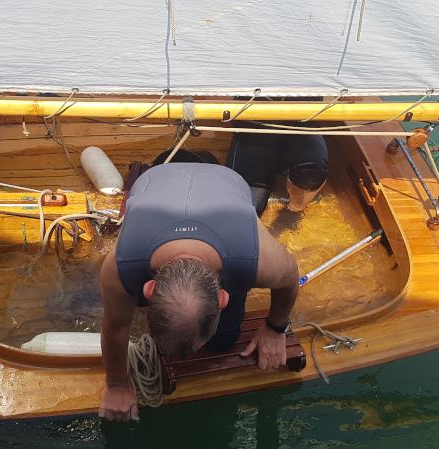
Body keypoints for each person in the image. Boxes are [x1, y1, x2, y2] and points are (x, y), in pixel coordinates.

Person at [98, 162, 299, 422]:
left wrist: (275, 328)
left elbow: (290, 279)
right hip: (156, 180)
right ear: (148, 288)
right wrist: (116, 385)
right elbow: (115, 328)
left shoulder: (261, 261)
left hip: (227, 182)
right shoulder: (118, 268)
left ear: (224, 296)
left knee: (223, 341)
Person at [227, 124, 329, 215]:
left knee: (310, 172)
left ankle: (295, 205)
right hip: (255, 133)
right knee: (246, 208)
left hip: (299, 125)